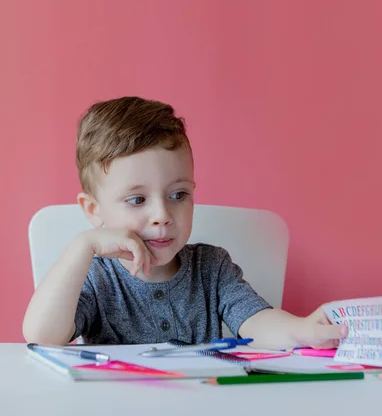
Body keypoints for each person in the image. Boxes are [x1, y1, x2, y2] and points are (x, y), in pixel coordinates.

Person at [23, 96, 347, 349]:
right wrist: (84, 244)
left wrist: (302, 330)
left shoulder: (212, 267)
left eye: (178, 195)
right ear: (93, 210)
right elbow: (41, 336)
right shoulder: (96, 278)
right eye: (137, 200)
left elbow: (256, 321)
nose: (163, 215)